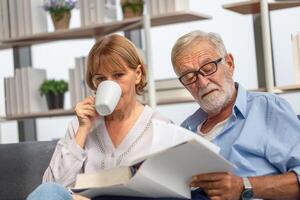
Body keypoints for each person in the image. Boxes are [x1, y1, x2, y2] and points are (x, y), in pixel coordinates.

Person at [27, 34, 208, 200]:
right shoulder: (80, 125)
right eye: (101, 79)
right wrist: (82, 131)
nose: (109, 84)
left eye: (118, 75)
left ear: (137, 75)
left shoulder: (161, 127)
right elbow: (50, 187)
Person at [171, 30, 300, 200]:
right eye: (189, 77)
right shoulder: (185, 129)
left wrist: (244, 186)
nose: (202, 82)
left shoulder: (267, 108)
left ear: (229, 64)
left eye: (208, 68)